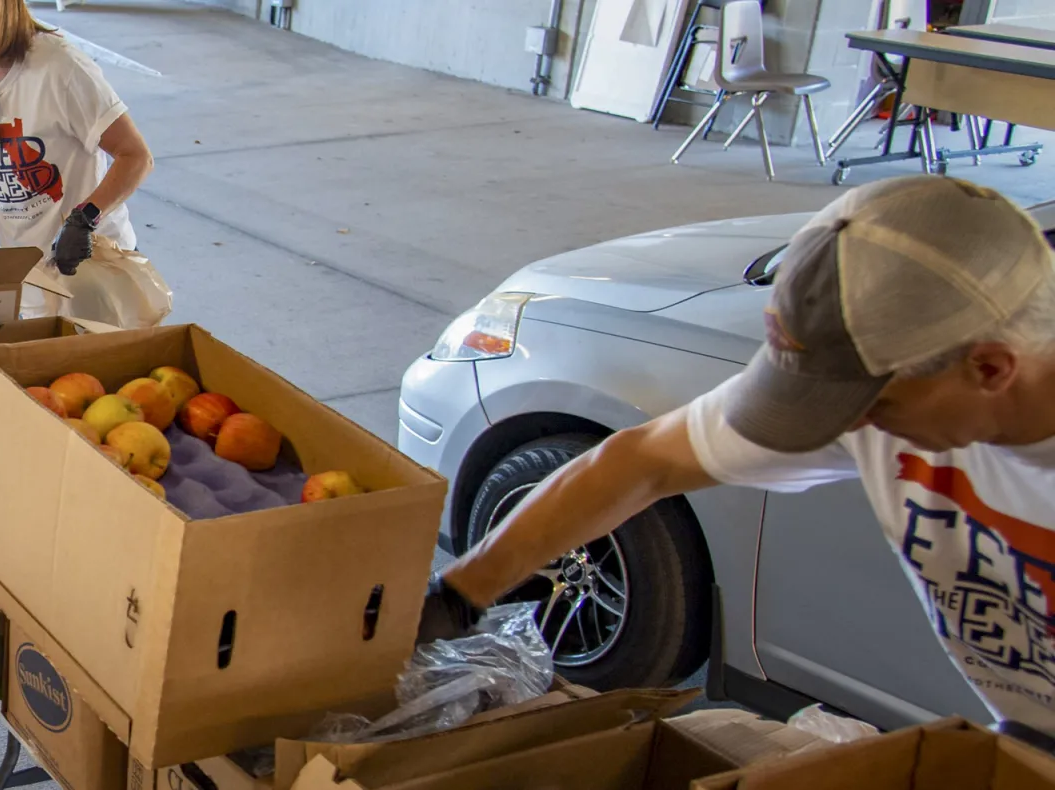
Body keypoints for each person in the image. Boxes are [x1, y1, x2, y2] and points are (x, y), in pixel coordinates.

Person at [422, 176, 1055, 738]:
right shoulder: (890, 380)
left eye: (866, 409)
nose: (842, 431)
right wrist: (456, 597)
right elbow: (642, 463)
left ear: (991, 368)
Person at [0, 0, 153, 294]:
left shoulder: (61, 67)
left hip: (94, 272)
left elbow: (135, 156)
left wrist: (84, 219)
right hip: (25, 276)